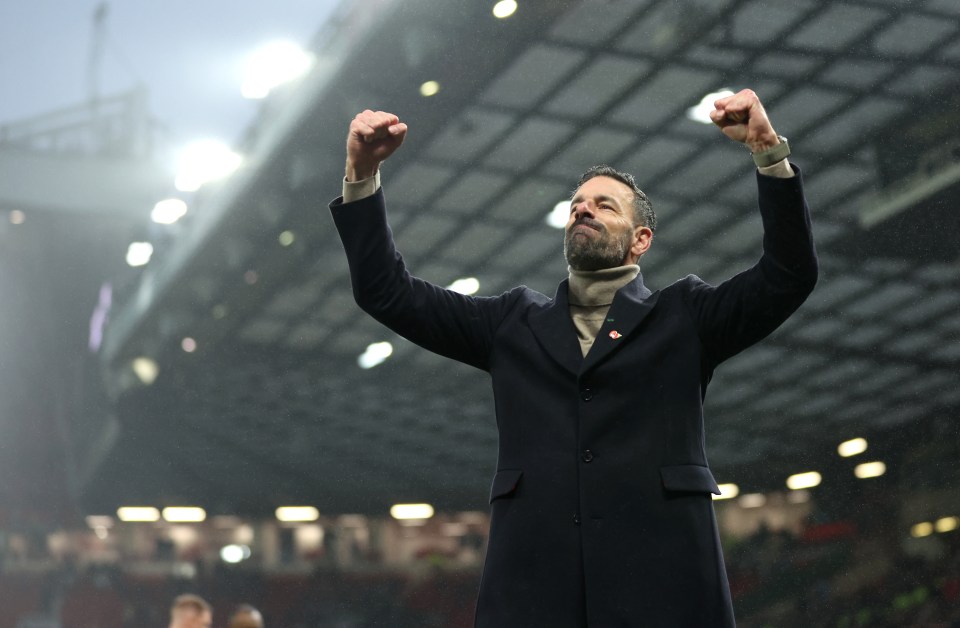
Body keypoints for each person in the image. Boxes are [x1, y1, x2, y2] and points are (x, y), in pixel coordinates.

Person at [329, 89, 817, 627]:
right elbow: (386, 292)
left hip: (664, 589)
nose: (583, 207)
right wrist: (361, 176)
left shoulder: (687, 317)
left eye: (605, 204)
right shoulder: (510, 324)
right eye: (577, 204)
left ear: (641, 239)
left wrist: (768, 152)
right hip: (534, 592)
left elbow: (787, 275)